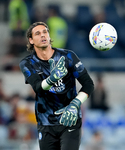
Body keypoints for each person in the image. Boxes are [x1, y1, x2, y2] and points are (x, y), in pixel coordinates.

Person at [19, 22, 94, 150]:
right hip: (46, 123)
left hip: (70, 119)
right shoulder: (27, 63)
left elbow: (88, 84)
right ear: (31, 40)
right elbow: (38, 87)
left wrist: (75, 104)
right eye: (38, 33)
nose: (43, 35)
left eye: (45, 32)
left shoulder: (68, 57)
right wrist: (52, 79)